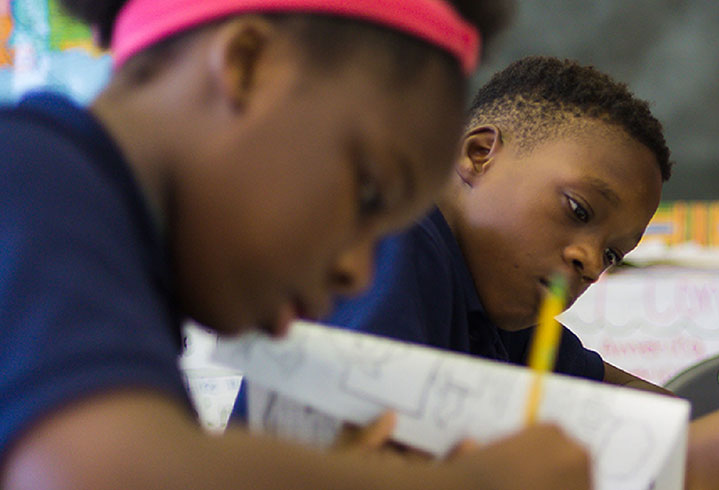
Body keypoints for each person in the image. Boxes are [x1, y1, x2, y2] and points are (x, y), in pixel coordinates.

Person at [0, 1, 598, 488]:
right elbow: (99, 475)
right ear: (247, 64)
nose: (359, 274)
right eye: (368, 194)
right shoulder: (33, 173)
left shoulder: (131, 278)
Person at [322, 55, 719, 490]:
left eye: (612, 256)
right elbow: (375, 451)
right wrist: (674, 462)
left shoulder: (497, 314)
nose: (589, 262)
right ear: (479, 155)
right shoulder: (397, 242)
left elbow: (615, 394)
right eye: (579, 211)